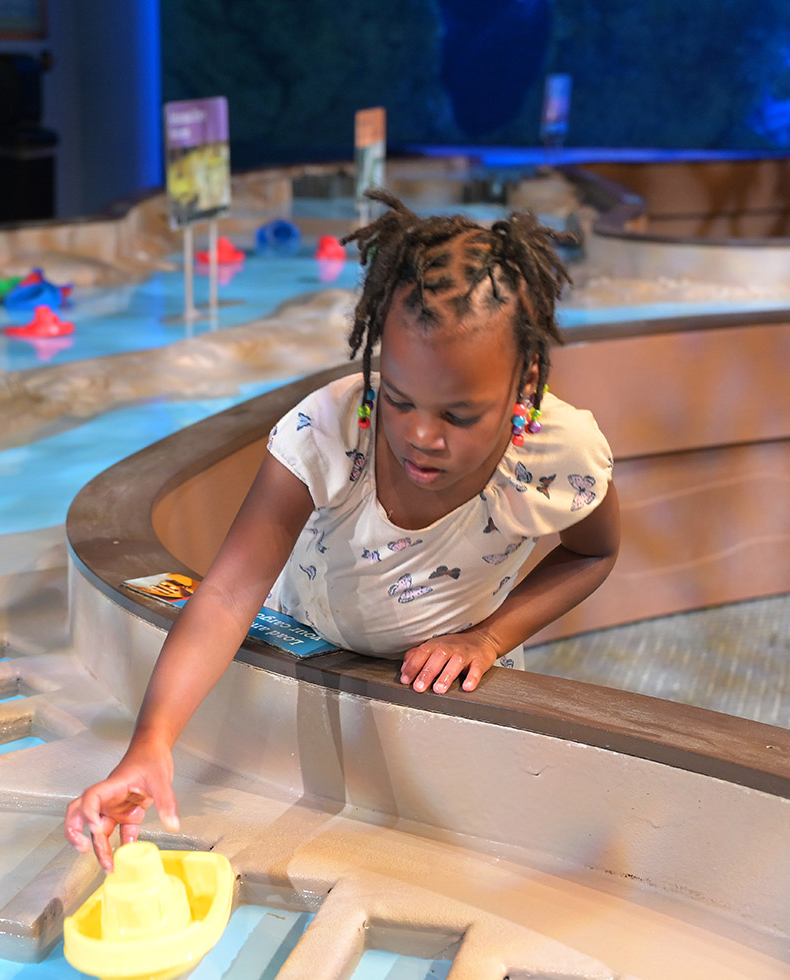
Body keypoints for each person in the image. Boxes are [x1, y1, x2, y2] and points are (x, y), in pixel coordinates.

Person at [66, 190, 620, 868]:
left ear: (524, 384)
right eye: (399, 397)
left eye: (459, 415)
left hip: (455, 672)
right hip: (308, 641)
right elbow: (227, 595)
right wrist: (150, 742)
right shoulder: (327, 432)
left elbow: (593, 555)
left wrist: (487, 637)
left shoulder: (555, 456)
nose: (421, 436)